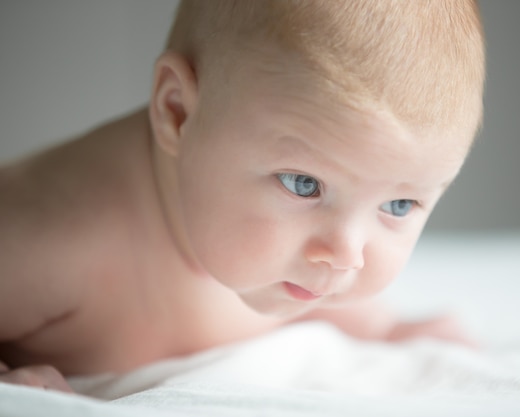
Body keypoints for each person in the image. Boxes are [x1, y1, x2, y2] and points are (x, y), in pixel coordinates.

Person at [0, 0, 485, 394]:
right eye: (303, 184)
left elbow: (320, 299)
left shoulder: (283, 252)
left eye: (398, 206)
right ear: (178, 113)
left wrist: (387, 329)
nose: (346, 257)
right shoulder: (62, 238)